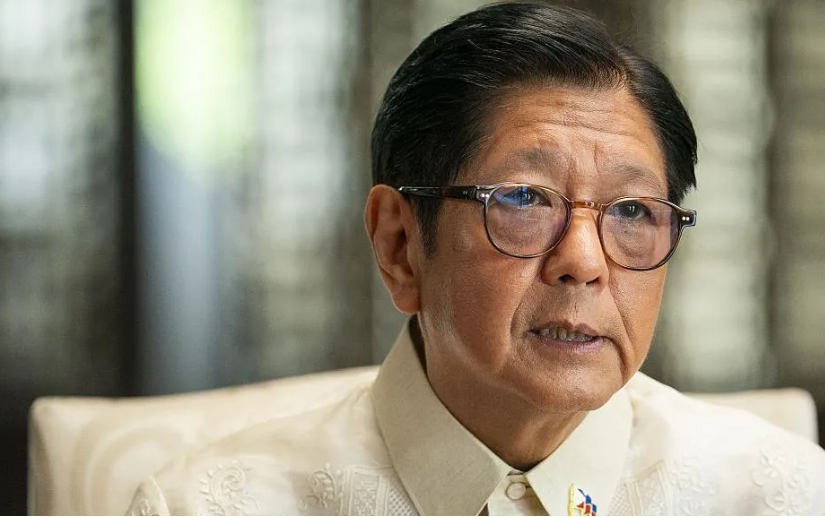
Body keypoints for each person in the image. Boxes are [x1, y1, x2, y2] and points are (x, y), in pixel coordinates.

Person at [128, 3, 825, 515]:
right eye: (524, 198)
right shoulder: (210, 504)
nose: (583, 261)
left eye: (632, 211)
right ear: (400, 245)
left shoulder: (781, 495)